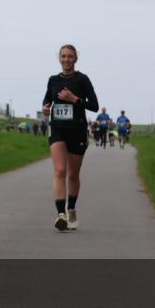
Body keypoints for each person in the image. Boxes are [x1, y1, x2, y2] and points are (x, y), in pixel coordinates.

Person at [41, 44, 98, 232]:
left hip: (77, 130)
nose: (66, 59)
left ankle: (71, 209)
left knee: (73, 174)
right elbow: (47, 100)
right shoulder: (53, 80)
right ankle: (61, 215)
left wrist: (74, 99)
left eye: (70, 56)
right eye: (63, 56)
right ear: (59, 58)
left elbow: (94, 106)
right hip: (58, 129)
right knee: (59, 170)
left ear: (75, 59)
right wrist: (45, 109)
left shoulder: (82, 80)